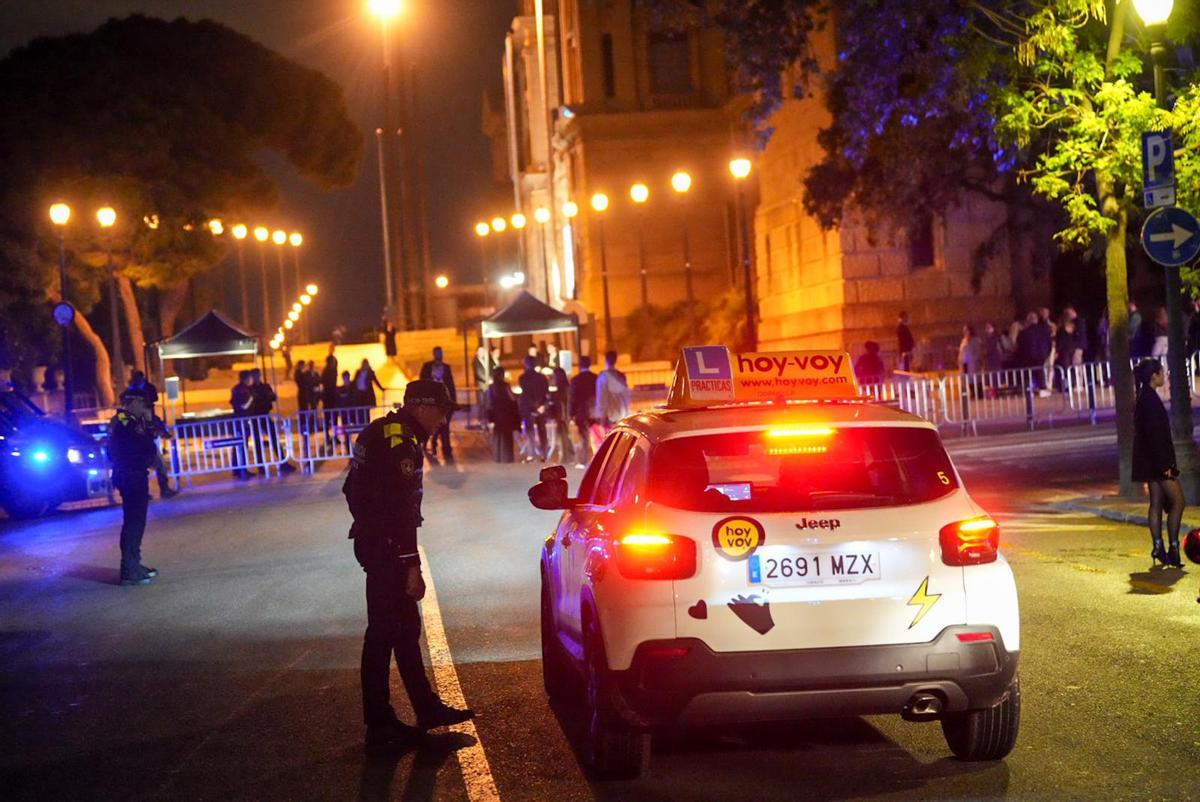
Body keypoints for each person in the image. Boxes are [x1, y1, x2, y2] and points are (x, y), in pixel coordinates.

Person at [343, 379, 474, 751]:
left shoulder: (381, 431)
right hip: (388, 549)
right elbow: (401, 510)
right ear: (422, 407)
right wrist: (410, 564)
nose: (443, 420)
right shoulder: (402, 443)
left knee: (403, 628)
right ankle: (379, 725)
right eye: (441, 412)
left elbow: (351, 489)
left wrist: (369, 527)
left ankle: (425, 707)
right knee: (383, 633)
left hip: (375, 543)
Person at [1132, 358, 1185, 569]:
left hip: (1149, 462)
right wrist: (1166, 466)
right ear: (1153, 376)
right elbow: (1156, 436)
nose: (1165, 375)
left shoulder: (1144, 397)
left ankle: (1157, 546)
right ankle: (1174, 548)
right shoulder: (1150, 400)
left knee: (1155, 503)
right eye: (1162, 372)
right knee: (1178, 501)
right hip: (1159, 462)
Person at [107, 391, 161, 585]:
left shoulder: (128, 421)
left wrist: (148, 423)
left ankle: (134, 564)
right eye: (143, 403)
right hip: (131, 475)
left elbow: (150, 440)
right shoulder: (125, 423)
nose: (146, 407)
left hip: (132, 474)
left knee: (136, 522)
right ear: (133, 402)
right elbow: (145, 446)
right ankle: (130, 569)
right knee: (134, 522)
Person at [125, 371, 177, 498]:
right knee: (152, 466)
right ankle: (157, 491)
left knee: (155, 466)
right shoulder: (132, 414)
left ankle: (161, 490)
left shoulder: (139, 413)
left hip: (143, 443)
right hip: (141, 444)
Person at [419, 347, 457, 464]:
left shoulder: (446, 368)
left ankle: (446, 448)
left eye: (440, 353)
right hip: (432, 402)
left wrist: (453, 402)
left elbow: (451, 385)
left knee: (444, 425)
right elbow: (421, 383)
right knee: (433, 424)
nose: (439, 355)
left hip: (444, 402)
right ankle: (431, 442)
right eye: (437, 353)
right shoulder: (427, 367)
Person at [485, 367, 521, 462]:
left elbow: (489, 403)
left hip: (496, 414)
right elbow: (512, 398)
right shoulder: (505, 385)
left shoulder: (491, 387)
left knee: (498, 436)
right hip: (506, 414)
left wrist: (489, 417)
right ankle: (507, 457)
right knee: (506, 436)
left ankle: (498, 457)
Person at [518, 355, 550, 462]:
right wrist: (542, 406)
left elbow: (526, 394)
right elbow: (546, 393)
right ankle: (544, 454)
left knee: (530, 431)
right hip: (541, 407)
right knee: (542, 431)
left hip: (528, 408)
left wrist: (533, 407)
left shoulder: (522, 378)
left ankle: (531, 454)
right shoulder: (542, 377)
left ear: (525, 364)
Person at [569, 355, 598, 469]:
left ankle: (584, 461)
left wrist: (571, 413)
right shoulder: (595, 378)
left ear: (580, 366)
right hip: (594, 410)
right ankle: (598, 458)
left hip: (581, 411)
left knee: (584, 437)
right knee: (596, 436)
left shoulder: (575, 380)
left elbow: (573, 398)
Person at [594, 350, 631, 433]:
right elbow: (627, 397)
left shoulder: (603, 377)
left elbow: (602, 398)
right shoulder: (621, 376)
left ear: (606, 361)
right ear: (615, 360)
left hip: (609, 416)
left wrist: (601, 416)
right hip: (622, 415)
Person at [230, 370, 255, 479]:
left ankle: (237, 468)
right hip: (243, 420)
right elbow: (244, 406)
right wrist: (251, 398)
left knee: (237, 445)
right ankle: (242, 469)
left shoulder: (235, 388)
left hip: (237, 419)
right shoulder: (244, 390)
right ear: (247, 378)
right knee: (242, 445)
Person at [548, 359, 573, 464]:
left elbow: (562, 403)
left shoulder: (561, 389)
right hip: (565, 415)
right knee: (565, 436)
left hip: (562, 416)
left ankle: (566, 457)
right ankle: (568, 456)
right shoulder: (567, 387)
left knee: (563, 437)